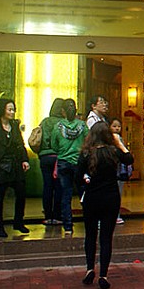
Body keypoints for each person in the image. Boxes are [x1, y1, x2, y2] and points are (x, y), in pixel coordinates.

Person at [76, 121, 133, 289]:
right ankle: (103, 275)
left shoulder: (86, 153)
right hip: (110, 197)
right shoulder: (113, 152)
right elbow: (129, 159)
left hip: (92, 197)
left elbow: (77, 176)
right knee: (106, 237)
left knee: (90, 235)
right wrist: (119, 143)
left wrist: (86, 182)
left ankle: (89, 268)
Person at [0, 98, 30, 237]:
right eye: (9, 109)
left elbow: (20, 144)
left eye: (13, 109)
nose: (12, 112)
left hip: (15, 165)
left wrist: (25, 160)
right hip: (0, 165)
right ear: (2, 110)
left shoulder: (14, 126)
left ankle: (18, 222)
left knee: (21, 193)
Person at [53, 98, 87, 236]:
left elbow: (54, 145)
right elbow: (88, 141)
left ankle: (68, 226)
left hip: (63, 163)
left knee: (66, 195)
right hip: (79, 163)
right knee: (83, 194)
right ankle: (89, 221)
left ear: (63, 111)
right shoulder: (82, 125)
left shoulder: (58, 126)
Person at [37, 98, 65, 226]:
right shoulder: (63, 123)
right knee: (59, 187)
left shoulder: (45, 121)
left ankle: (48, 216)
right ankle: (57, 216)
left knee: (47, 186)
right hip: (58, 157)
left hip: (45, 157)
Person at [109, 118, 131, 224]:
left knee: (118, 194)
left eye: (119, 126)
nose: (117, 128)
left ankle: (116, 215)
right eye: (114, 126)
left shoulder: (120, 139)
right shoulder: (109, 140)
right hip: (113, 171)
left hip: (119, 171)